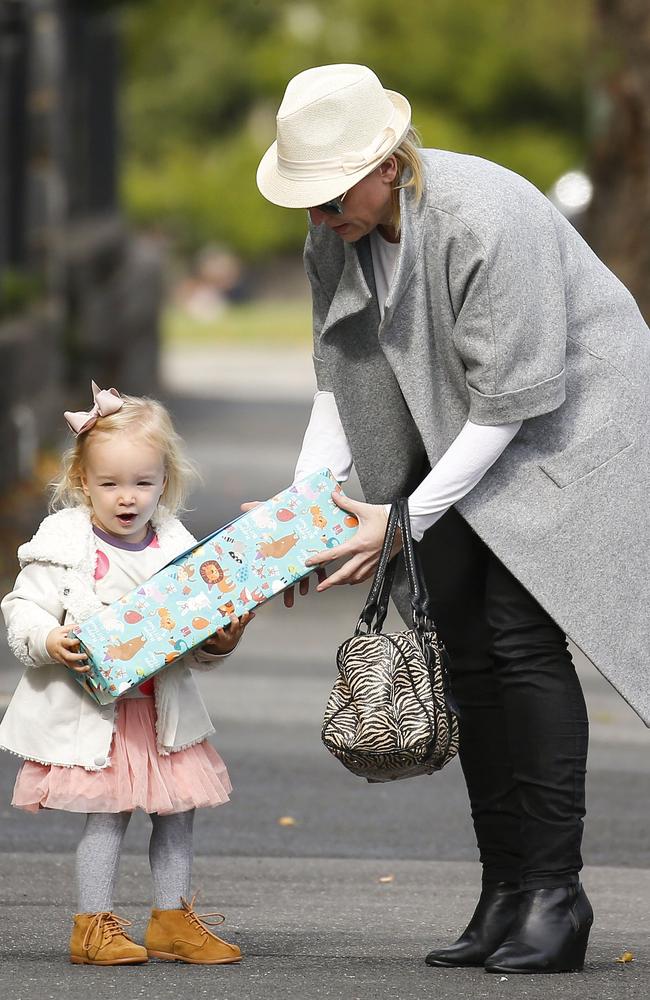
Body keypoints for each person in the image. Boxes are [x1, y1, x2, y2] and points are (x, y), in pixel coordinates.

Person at [255, 63, 650, 974]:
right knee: (464, 646)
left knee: (517, 642)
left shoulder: (483, 216)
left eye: (328, 193)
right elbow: (339, 382)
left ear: (390, 163)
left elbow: (512, 403)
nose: (315, 216)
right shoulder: (337, 236)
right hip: (452, 430)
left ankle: (556, 896)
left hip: (565, 427)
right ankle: (506, 889)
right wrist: (301, 512)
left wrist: (398, 523)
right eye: (304, 198)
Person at [0, 382, 253, 966]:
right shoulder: (65, 546)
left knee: (177, 812)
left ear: (166, 481)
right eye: (109, 483)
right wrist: (49, 639)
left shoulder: (178, 550)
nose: (127, 498)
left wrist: (218, 642)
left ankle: (171, 919)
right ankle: (92, 925)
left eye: (143, 482)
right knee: (108, 814)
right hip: (100, 713)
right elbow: (23, 608)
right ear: (83, 482)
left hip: (159, 709)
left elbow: (194, 638)